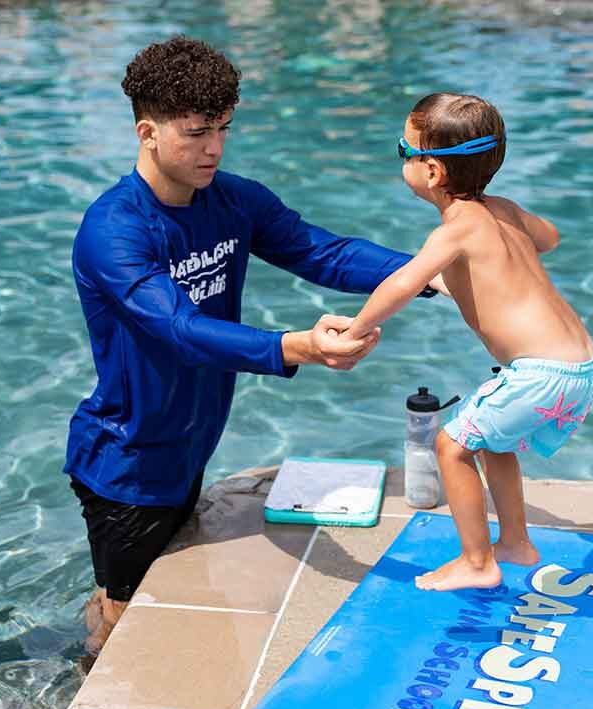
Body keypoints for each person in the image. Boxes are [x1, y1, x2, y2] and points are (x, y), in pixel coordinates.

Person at [64, 37, 445, 653]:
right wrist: (298, 347)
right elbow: (180, 329)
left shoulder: (233, 199)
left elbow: (321, 251)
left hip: (189, 444)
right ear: (148, 132)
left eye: (223, 128)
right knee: (123, 621)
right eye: (195, 133)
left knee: (149, 601)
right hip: (127, 464)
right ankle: (78, 704)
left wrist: (435, 272)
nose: (213, 147)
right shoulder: (114, 231)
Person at [341, 92, 593, 592]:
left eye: (404, 150)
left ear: (432, 173)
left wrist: (357, 331)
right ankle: (516, 543)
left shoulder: (456, 230)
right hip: (581, 365)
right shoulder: (502, 210)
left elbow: (399, 284)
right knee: (492, 442)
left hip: (541, 375)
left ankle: (478, 561)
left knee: (452, 445)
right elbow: (550, 238)